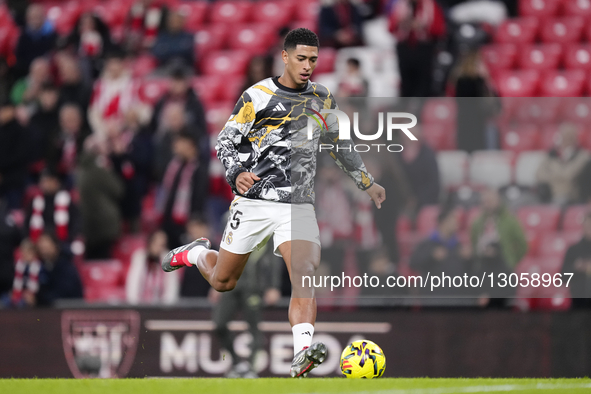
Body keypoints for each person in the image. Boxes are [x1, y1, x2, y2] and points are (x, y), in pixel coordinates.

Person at [160, 28, 386, 377]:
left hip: (298, 204)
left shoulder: (323, 99)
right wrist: (236, 174)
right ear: (285, 57)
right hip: (253, 202)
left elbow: (341, 144)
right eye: (301, 58)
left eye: (313, 59)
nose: (308, 65)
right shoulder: (258, 95)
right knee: (223, 281)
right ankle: (195, 253)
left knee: (304, 272)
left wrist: (366, 182)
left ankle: (302, 354)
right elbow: (225, 142)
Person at [210, 241, 282, 378]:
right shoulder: (234, 223)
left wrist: (273, 285)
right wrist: (217, 280)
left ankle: (250, 368)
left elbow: (274, 257)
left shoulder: (267, 228)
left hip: (253, 286)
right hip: (231, 283)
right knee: (219, 324)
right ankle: (238, 364)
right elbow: (224, 253)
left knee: (254, 328)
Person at [471, 187, 528, 307]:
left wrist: (511, 261)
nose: (488, 204)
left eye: (490, 201)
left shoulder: (510, 221)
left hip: (503, 272)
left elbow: (523, 245)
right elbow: (473, 244)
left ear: (498, 201)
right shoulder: (477, 223)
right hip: (483, 272)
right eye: (485, 201)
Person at [157, 132, 208, 249]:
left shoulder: (199, 169)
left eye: (179, 142)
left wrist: (193, 223)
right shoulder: (174, 165)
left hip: (185, 225)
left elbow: (198, 199)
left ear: (190, 145)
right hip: (168, 222)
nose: (175, 146)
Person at [76, 136, 124, 259]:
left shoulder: (81, 169)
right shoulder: (99, 169)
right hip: (103, 222)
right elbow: (118, 189)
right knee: (102, 259)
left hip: (88, 221)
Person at [388, 0, 446, 97]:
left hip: (423, 49)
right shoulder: (401, 6)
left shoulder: (430, 6)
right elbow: (390, 27)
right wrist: (401, 22)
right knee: (406, 84)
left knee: (423, 84)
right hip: (405, 48)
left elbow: (439, 29)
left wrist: (421, 26)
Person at [410, 206, 471, 296]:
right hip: (433, 296)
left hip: (456, 297)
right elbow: (413, 263)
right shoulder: (428, 244)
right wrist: (431, 256)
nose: (456, 224)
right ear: (443, 222)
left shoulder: (459, 246)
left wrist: (469, 259)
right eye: (452, 220)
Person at [451, 50, 500, 152]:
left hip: (478, 124)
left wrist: (486, 80)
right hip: (471, 126)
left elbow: (497, 104)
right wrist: (483, 79)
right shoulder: (465, 82)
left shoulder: (481, 82)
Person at [536, 123, 590, 206]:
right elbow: (539, 174)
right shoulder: (551, 154)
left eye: (570, 136)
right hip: (547, 193)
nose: (566, 139)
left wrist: (552, 173)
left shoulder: (583, 156)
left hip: (568, 196)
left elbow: (569, 175)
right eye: (564, 135)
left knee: (557, 204)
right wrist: (559, 176)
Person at [25, 168, 79, 244]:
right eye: (43, 181)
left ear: (56, 182)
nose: (45, 184)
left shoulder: (67, 200)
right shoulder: (35, 202)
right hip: (38, 243)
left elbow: (76, 224)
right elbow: (27, 225)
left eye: (48, 181)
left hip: (62, 243)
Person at [126, 230, 179, 305]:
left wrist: (165, 308)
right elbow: (132, 284)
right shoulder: (139, 257)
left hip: (161, 308)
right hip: (140, 306)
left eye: (162, 245)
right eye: (156, 243)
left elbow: (172, 288)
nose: (158, 247)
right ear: (150, 243)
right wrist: (135, 305)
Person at [35, 231, 83, 306]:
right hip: (46, 309)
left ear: (55, 246)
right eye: (42, 248)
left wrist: (40, 298)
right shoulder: (41, 266)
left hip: (69, 308)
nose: (44, 252)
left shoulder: (66, 267)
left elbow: (66, 292)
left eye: (46, 248)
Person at [14, 4, 57, 78]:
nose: (36, 20)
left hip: (49, 75)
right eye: (33, 17)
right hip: (28, 75)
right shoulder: (23, 38)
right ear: (27, 19)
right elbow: (20, 60)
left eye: (38, 17)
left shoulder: (53, 35)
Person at [561, 212, 591, 308]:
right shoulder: (573, 250)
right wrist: (576, 268)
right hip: (578, 303)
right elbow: (562, 277)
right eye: (587, 226)